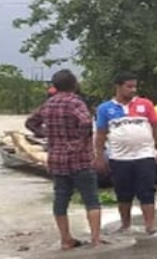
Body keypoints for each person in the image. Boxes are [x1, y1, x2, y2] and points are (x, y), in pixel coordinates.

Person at [25, 69, 103, 249]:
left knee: (60, 200)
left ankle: (65, 239)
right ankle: (96, 239)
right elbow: (85, 123)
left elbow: (30, 122)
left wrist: (46, 134)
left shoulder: (48, 104)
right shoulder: (76, 102)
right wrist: (78, 142)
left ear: (55, 86)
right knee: (91, 199)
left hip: (56, 158)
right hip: (80, 159)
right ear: (74, 84)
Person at [95, 72, 157, 237]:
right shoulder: (105, 108)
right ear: (118, 87)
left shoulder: (146, 105)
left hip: (145, 156)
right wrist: (99, 156)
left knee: (147, 191)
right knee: (123, 193)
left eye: (135, 86)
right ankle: (125, 225)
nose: (133, 90)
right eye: (129, 86)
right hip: (119, 158)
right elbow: (100, 134)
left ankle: (150, 226)